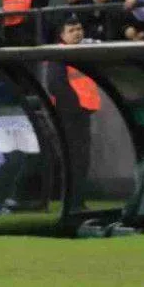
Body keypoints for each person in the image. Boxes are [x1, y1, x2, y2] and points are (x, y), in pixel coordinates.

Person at [45, 19, 100, 212]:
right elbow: (55, 85)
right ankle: (73, 202)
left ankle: (77, 200)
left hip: (80, 113)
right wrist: (75, 107)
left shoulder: (78, 53)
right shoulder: (59, 55)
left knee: (80, 159)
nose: (77, 33)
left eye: (79, 28)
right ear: (62, 35)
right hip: (69, 115)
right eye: (72, 30)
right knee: (75, 159)